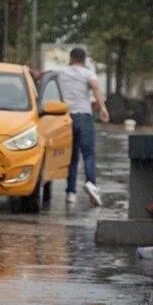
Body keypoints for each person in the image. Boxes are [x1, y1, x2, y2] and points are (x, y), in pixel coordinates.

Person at [57, 47, 110, 206]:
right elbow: (95, 88)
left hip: (66, 117)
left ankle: (71, 192)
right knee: (88, 153)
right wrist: (103, 108)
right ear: (84, 59)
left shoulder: (63, 73)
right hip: (84, 117)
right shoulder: (88, 74)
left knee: (72, 157)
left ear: (71, 58)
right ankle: (91, 184)